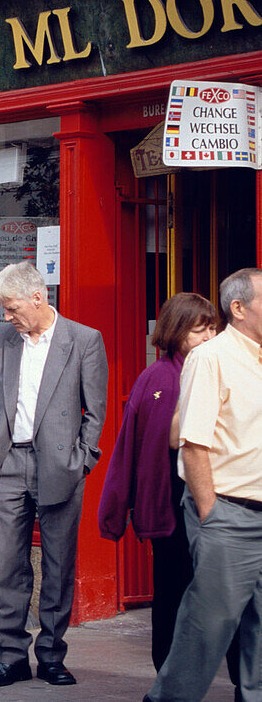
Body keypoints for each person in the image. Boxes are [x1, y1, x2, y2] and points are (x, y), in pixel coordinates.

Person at [0, 261, 108, 688]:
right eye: (4, 311)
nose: (8, 318)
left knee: (58, 564)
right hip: (7, 465)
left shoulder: (84, 340)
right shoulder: (3, 340)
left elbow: (96, 411)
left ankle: (52, 655)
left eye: (12, 309)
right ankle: (11, 656)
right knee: (7, 566)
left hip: (59, 464)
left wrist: (82, 459)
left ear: (38, 297)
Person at [98, 293, 238, 677]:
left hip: (215, 501)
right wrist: (114, 512)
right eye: (199, 329)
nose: (209, 336)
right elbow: (129, 448)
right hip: (169, 506)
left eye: (213, 328)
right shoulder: (155, 379)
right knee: (172, 596)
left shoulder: (219, 372)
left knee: (222, 597)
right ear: (176, 332)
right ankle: (169, 679)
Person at [147, 268, 262, 702]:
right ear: (239, 308)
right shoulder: (210, 357)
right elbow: (191, 443)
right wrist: (210, 514)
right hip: (228, 515)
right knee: (207, 627)